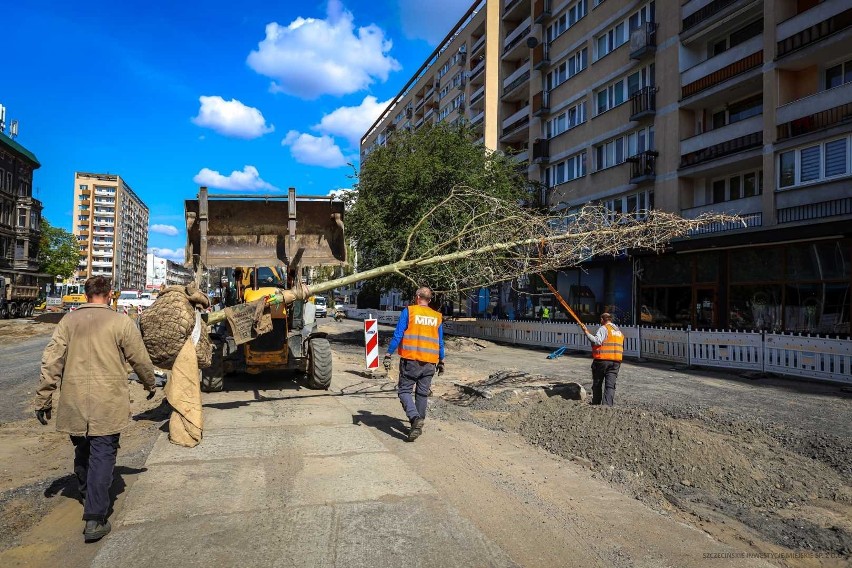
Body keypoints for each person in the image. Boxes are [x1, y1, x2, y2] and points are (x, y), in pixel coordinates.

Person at [35, 276, 156, 542]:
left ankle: (86, 490)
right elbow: (139, 357)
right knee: (103, 454)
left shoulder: (68, 321)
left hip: (74, 401)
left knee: (83, 448)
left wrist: (43, 398)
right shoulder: (120, 322)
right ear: (110, 294)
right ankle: (94, 518)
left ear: (87, 294)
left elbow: (51, 361)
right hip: (108, 402)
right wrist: (150, 383)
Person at [383, 286, 445, 442]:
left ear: (417, 297)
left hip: (411, 360)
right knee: (422, 393)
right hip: (430, 362)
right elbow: (440, 342)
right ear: (429, 300)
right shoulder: (437, 316)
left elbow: (398, 335)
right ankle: (419, 421)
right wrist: (442, 360)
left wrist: (389, 353)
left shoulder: (409, 311)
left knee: (404, 391)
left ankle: (415, 418)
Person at [581, 312, 624, 406]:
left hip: (602, 360)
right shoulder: (618, 331)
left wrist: (586, 332)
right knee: (610, 385)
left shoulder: (604, 328)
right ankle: (607, 406)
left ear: (602, 319)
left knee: (597, 383)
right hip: (616, 362)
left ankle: (596, 404)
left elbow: (597, 341)